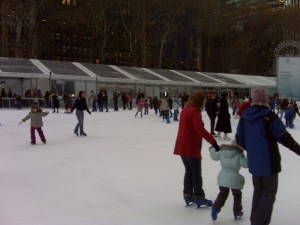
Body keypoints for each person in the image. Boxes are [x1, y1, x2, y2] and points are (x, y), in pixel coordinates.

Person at [235, 88, 300, 225]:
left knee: (259, 191)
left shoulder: (245, 118)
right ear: (265, 101)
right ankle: (258, 222)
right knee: (269, 193)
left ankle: (256, 220)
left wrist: (253, 150)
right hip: (269, 162)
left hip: (254, 162)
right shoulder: (270, 117)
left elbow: (239, 139)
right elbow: (284, 137)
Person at [174, 92, 220, 208]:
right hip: (191, 146)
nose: (205, 102)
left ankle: (188, 195)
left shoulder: (186, 109)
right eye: (204, 100)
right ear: (200, 101)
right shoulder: (195, 112)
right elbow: (199, 129)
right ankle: (199, 197)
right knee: (196, 173)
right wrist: (213, 142)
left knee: (188, 171)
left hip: (182, 145)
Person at [209, 142, 248, 221]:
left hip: (223, 177)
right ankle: (237, 212)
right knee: (237, 195)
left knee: (223, 193)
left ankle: (215, 208)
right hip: (235, 178)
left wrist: (212, 149)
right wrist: (250, 155)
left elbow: (214, 157)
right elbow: (245, 164)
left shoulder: (222, 152)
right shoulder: (239, 155)